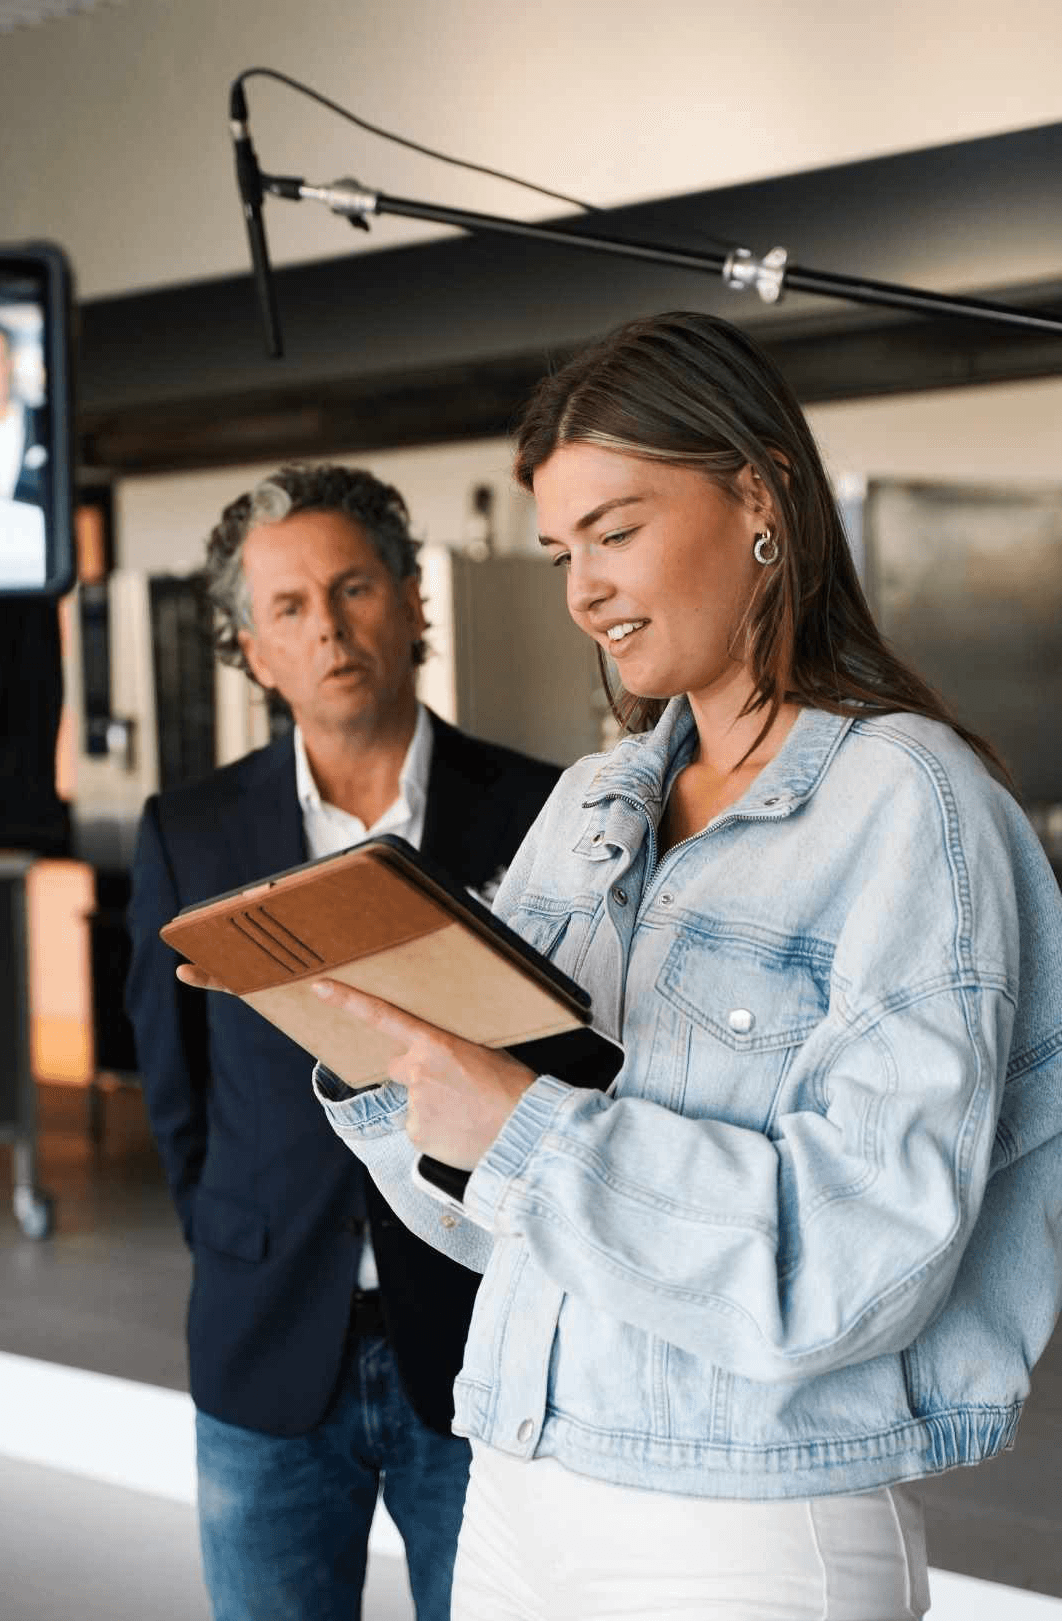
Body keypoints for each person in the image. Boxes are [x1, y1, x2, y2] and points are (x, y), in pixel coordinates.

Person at [273, 315, 1062, 1620]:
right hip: (522, 1471)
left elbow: (862, 1257)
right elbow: (486, 1217)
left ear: (758, 494)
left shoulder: (907, 806)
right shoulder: (593, 803)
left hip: (743, 1516)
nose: (579, 590)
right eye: (559, 550)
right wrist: (388, 1061)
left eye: (615, 531)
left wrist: (521, 1130)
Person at [125, 461, 560, 1621]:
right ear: (251, 649)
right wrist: (238, 1237)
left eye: (355, 587)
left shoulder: (543, 812)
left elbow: (576, 1065)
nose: (329, 628)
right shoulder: (193, 832)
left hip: (483, 1347)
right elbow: (177, 1087)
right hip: (266, 1339)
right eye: (288, 607)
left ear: (414, 600)